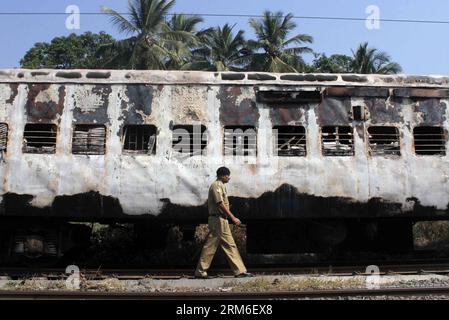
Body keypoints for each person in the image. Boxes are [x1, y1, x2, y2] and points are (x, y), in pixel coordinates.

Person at [194, 167, 253, 279]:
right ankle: (200, 272)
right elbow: (220, 204)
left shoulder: (221, 186)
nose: (229, 177)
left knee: (230, 245)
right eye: (227, 175)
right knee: (210, 246)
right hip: (217, 220)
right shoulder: (216, 186)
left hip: (222, 220)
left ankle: (240, 271)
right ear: (222, 176)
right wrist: (233, 217)